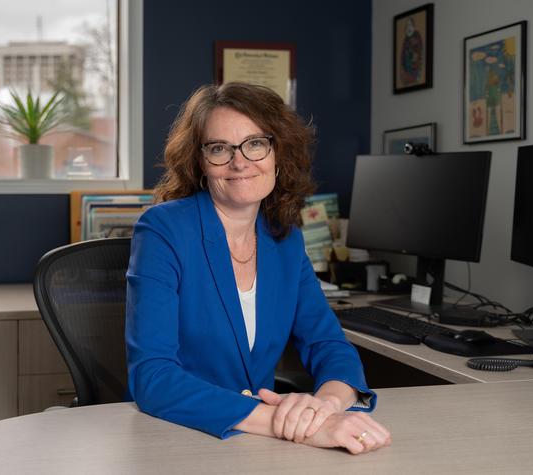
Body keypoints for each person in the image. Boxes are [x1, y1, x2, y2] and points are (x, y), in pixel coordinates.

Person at [125, 82, 391, 454]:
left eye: (255, 144)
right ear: (200, 162)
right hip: (181, 436)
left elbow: (328, 344)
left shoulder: (285, 239)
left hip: (256, 446)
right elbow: (153, 378)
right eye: (219, 148)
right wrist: (287, 425)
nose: (240, 162)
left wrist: (325, 407)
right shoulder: (164, 229)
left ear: (277, 154)